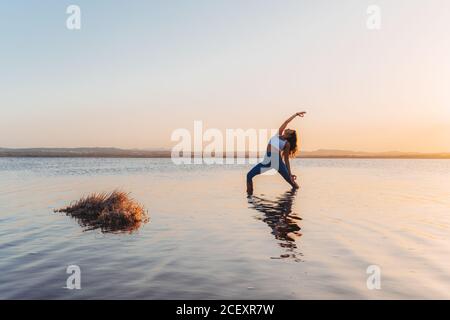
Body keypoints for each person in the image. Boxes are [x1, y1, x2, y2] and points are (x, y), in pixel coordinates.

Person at [246, 112, 306, 195]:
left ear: (290, 135)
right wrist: (295, 115)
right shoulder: (278, 134)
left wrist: (290, 173)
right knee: (249, 175)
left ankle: (297, 193)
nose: (288, 128)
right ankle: (249, 196)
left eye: (290, 130)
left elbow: (286, 159)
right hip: (267, 161)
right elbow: (286, 122)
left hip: (277, 162)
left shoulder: (286, 144)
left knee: (291, 182)